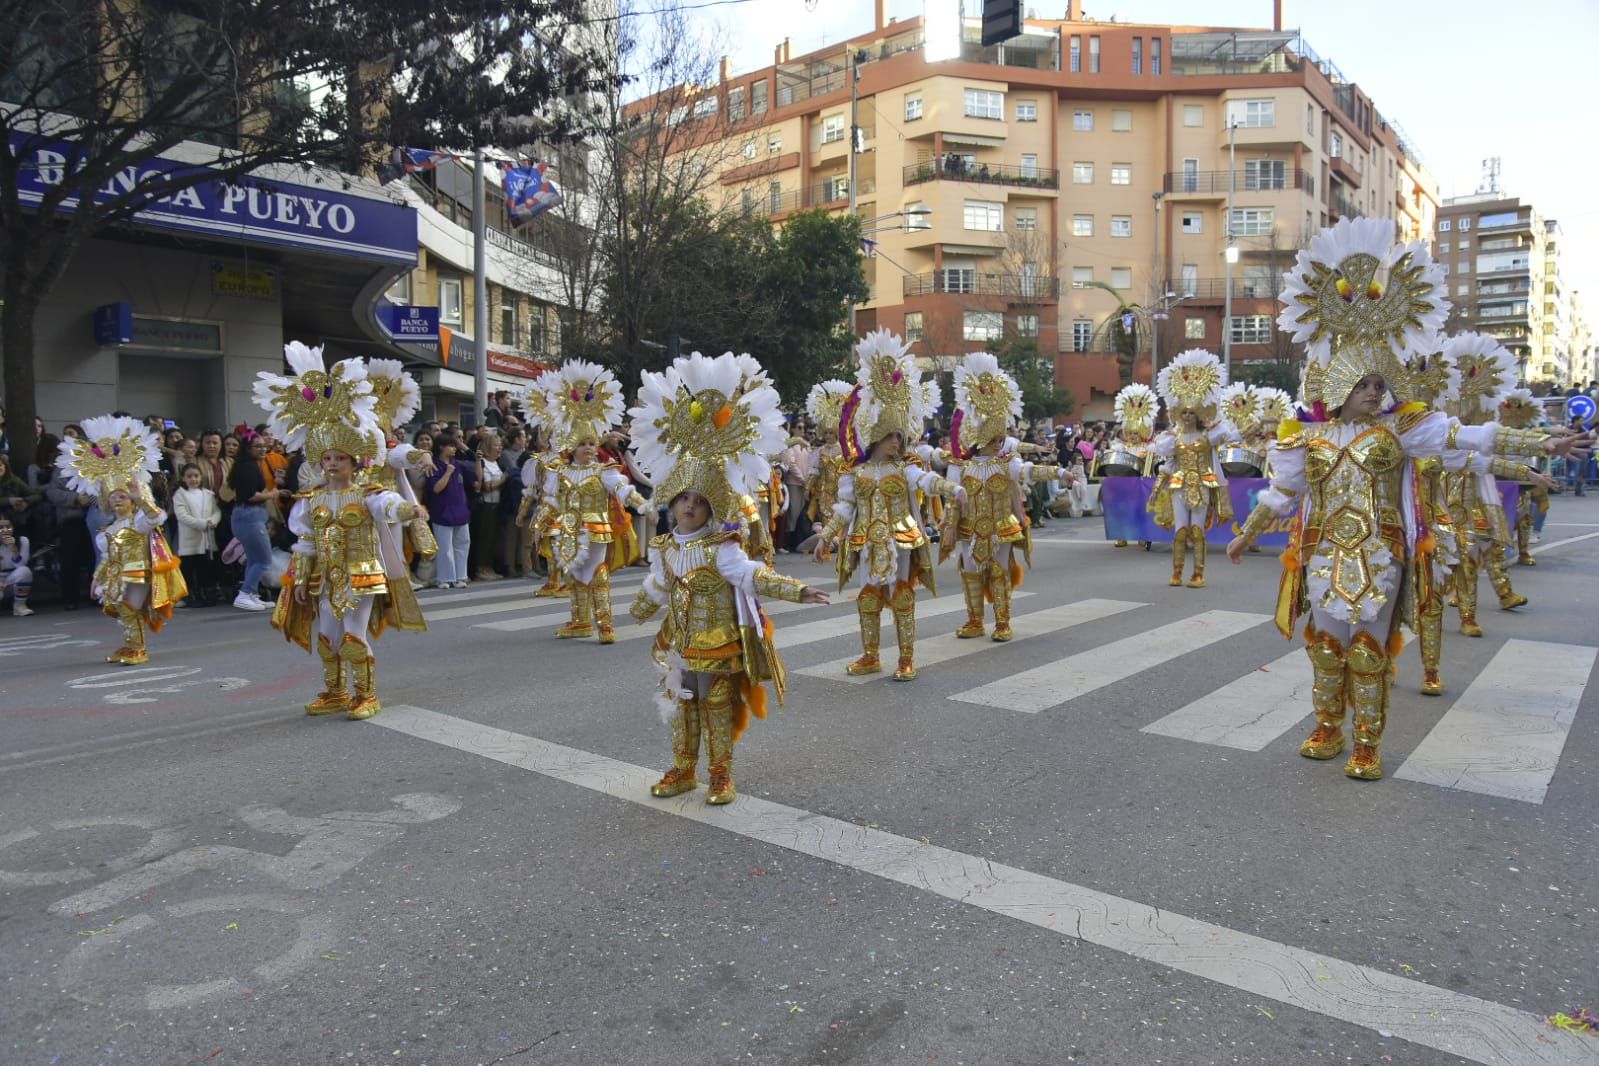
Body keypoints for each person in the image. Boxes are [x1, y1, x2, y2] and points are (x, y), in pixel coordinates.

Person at [1227, 217, 1586, 780]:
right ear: (1342, 386)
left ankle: (1367, 743)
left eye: (1380, 385)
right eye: (1365, 385)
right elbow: (1281, 493)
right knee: (1325, 644)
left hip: (1380, 551)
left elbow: (1467, 438)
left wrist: (1542, 441)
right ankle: (1327, 725)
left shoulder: (1404, 430)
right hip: (1325, 552)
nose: (1375, 393)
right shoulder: (1305, 436)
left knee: (1369, 651)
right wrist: (1246, 536)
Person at [626, 350, 829, 804]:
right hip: (680, 641)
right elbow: (659, 585)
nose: (690, 507)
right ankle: (682, 769)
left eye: (700, 502)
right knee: (681, 707)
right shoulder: (665, 547)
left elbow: (753, 575)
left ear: (712, 509)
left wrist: (798, 590)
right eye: (684, 500)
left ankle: (720, 775)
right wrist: (640, 608)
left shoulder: (723, 546)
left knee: (717, 706)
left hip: (718, 641)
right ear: (672, 504)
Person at [256, 343, 428, 720]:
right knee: (328, 636)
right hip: (324, 578)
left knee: (353, 635)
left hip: (362, 574)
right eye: (328, 459)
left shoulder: (367, 493)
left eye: (340, 459)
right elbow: (304, 541)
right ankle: (334, 691)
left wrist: (408, 508)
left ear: (355, 461)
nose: (333, 464)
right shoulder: (311, 499)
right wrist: (299, 578)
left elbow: (388, 506)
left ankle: (366, 695)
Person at [814, 329, 963, 681]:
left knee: (902, 596)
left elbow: (926, 481)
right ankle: (870, 655)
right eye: (892, 436)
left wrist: (952, 488)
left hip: (902, 538)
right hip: (866, 539)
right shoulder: (858, 472)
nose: (898, 441)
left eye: (900, 435)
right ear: (876, 437)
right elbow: (845, 507)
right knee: (868, 597)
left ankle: (906, 659)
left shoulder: (906, 467)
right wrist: (828, 537)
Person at [944, 352, 1070, 641]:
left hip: (1000, 525)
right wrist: (949, 527)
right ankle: (975, 620)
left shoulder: (1006, 462)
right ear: (978, 440)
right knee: (971, 571)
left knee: (999, 571)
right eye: (994, 440)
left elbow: (1029, 470)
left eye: (1000, 440)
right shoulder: (961, 467)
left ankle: (1003, 622)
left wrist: (1060, 473)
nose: (998, 445)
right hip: (969, 527)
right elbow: (953, 499)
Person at [532, 360, 649, 643]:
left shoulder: (603, 470)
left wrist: (642, 504)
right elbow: (549, 500)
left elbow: (622, 489)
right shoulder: (560, 472)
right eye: (582, 445)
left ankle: (605, 625)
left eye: (591, 444)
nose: (588, 449)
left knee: (597, 571)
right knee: (575, 573)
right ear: (572, 449)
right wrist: (539, 522)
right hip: (568, 529)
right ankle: (581, 622)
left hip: (596, 527)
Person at [56, 416, 188, 664]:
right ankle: (130, 645)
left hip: (139, 572)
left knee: (130, 608)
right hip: (118, 575)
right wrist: (97, 578)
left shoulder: (138, 521)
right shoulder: (109, 528)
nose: (118, 501)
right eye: (114, 497)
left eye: (123, 497)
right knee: (120, 610)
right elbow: (107, 557)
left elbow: (156, 517)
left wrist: (141, 498)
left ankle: (138, 648)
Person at [1148, 349, 1233, 588]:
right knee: (1180, 530)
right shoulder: (1172, 438)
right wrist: (1156, 488)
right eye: (1183, 411)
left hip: (1202, 485)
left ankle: (1198, 574)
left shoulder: (1209, 435)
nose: (1187, 415)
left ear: (1199, 413)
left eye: (1191, 412)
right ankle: (1176, 572)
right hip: (1179, 485)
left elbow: (1229, 434)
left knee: (1197, 530)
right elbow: (1168, 464)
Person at [226, 435, 283, 611]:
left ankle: (251, 594)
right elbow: (251, 495)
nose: (262, 449)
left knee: (254, 558)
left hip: (250, 515)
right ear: (248, 448)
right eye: (257, 446)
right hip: (249, 516)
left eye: (264, 446)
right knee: (264, 558)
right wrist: (272, 495)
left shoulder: (248, 465)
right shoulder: (247, 467)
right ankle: (245, 593)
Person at [802, 380, 852, 556]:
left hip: (841, 488)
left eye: (832, 432)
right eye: (827, 433)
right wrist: (808, 488)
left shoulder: (844, 449)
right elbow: (814, 470)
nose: (829, 436)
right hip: (825, 491)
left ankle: (840, 542)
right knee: (825, 516)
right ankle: (827, 545)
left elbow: (851, 467)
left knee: (841, 516)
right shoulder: (819, 452)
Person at [425, 434, 477, 588]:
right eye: (451, 446)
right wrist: (447, 472)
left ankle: (461, 576)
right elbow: (436, 488)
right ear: (441, 447)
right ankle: (445, 578)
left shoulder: (458, 464)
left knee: (462, 544)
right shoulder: (434, 465)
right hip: (442, 512)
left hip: (460, 511)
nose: (454, 449)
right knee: (445, 547)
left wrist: (477, 459)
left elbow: (475, 480)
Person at [171, 463, 221, 608]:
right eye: (189, 476)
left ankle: (206, 593)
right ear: (183, 478)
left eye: (196, 476)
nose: (193, 479)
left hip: (206, 538)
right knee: (188, 568)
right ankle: (191, 595)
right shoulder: (180, 495)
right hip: (190, 538)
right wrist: (203, 524)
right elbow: (182, 516)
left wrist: (212, 522)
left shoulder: (208, 494)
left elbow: (216, 511)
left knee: (204, 567)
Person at [0, 516, 33, 616]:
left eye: (8, 527)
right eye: (1, 527)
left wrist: (13, 547)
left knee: (25, 571)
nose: (5, 530)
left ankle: (19, 606)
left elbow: (21, 565)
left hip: (12, 579)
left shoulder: (23, 540)